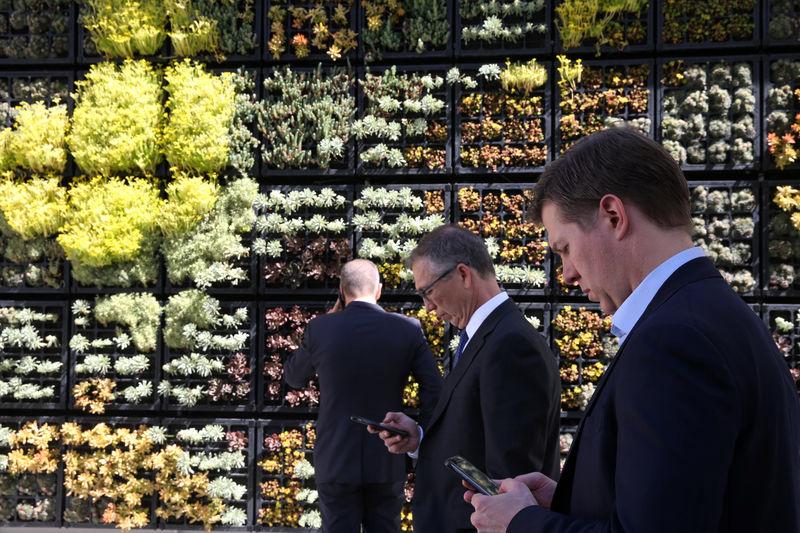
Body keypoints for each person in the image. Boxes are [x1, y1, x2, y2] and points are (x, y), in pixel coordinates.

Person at [465, 127, 800, 532]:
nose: (567, 275)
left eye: (565, 248)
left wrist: (523, 524)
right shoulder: (711, 314)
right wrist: (570, 499)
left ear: (613, 216)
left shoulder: (674, 341)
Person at [371, 225, 561, 533]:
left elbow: (511, 484)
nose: (428, 307)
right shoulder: (488, 337)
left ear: (463, 274)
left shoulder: (511, 345)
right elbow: (474, 436)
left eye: (427, 291)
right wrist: (419, 438)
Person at [284, 258, 442, 533]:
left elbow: (293, 377)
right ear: (379, 290)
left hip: (335, 459)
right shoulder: (407, 329)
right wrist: (422, 438)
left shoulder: (321, 328)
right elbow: (434, 389)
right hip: (387, 457)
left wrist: (331, 317)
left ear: (342, 292)